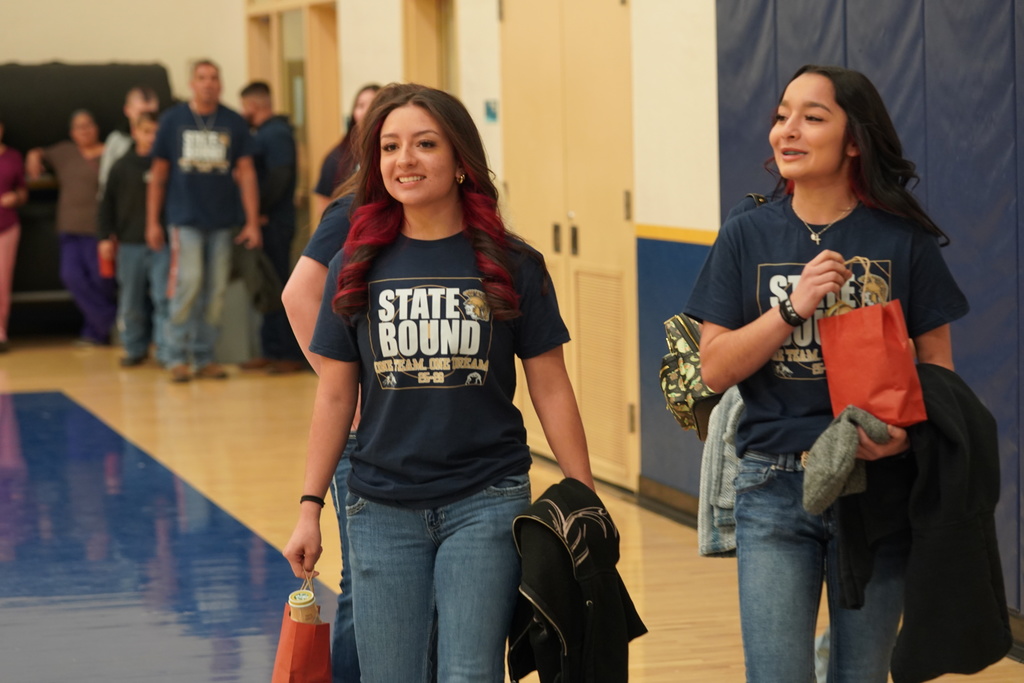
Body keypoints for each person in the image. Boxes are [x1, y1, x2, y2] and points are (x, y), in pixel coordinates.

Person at [282, 83, 595, 683]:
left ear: (459, 162)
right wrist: (308, 508)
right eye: (391, 146)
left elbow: (551, 386)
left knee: (469, 673)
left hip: (487, 498)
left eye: (425, 144)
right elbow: (334, 394)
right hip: (380, 505)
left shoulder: (511, 263)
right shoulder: (355, 265)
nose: (406, 160)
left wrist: (582, 492)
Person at [684, 64, 969, 682]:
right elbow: (713, 366)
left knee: (861, 675)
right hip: (772, 484)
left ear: (855, 140)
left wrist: (899, 435)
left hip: (877, 488)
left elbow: (938, 372)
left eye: (812, 117)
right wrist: (790, 309)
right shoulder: (745, 234)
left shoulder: (903, 241)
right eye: (781, 116)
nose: (788, 130)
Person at [281, 194, 361, 682]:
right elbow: (297, 295)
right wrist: (345, 386)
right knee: (365, 582)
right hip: (367, 430)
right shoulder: (354, 209)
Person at [146, 59, 261, 383]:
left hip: (223, 221)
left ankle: (204, 355)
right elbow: (158, 175)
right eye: (202, 78)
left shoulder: (233, 122)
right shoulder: (173, 120)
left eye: (214, 78)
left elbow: (247, 173)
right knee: (188, 284)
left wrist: (252, 221)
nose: (208, 83)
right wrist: (153, 222)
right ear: (192, 84)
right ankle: (175, 354)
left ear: (220, 84)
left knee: (216, 291)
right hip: (185, 221)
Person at [26, 110, 117, 346]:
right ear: (72, 133)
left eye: (89, 125)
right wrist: (33, 157)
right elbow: (39, 153)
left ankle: (95, 332)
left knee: (102, 282)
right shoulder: (65, 152)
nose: (85, 130)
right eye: (79, 127)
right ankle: (112, 323)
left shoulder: (110, 154)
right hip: (69, 229)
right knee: (71, 276)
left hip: (99, 230)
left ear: (97, 128)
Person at [238, 81, 305, 374]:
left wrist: (260, 210)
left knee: (277, 285)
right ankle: (270, 350)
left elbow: (279, 176)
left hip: (275, 222)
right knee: (266, 284)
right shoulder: (265, 134)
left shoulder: (275, 134)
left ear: (253, 105)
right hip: (267, 221)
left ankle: (289, 353)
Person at [98, 111, 170, 368]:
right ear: (136, 132)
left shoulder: (165, 164)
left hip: (162, 243)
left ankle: (165, 350)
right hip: (129, 243)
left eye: (156, 132)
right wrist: (105, 237)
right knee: (131, 300)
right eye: (146, 131)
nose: (151, 137)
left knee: (164, 298)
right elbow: (106, 204)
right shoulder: (122, 166)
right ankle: (134, 347)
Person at [312, 83, 380, 221]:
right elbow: (324, 206)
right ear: (353, 113)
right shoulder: (336, 156)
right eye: (360, 106)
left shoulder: (392, 153)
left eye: (373, 105)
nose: (367, 111)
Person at [98, 85, 160, 198]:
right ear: (127, 110)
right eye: (141, 113)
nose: (147, 118)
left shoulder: (164, 139)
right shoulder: (116, 141)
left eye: (152, 113)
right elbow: (105, 181)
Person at [0, 115, 28, 353]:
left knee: (2, 280)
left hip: (7, 225)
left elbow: (23, 191)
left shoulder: (12, 156)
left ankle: (0, 332)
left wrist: (16, 198)